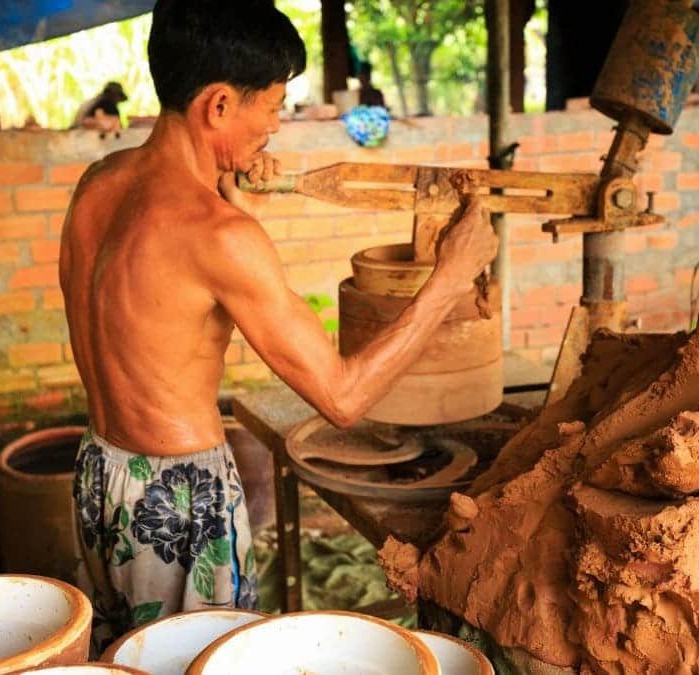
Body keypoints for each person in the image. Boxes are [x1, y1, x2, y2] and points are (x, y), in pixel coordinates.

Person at [59, 0, 497, 650]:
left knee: (124, 657)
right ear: (218, 105)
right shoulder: (218, 236)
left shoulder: (99, 184)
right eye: (273, 106)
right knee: (203, 661)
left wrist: (231, 197)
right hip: (180, 501)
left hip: (101, 472)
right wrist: (450, 279)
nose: (275, 126)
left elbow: (165, 293)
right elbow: (342, 397)